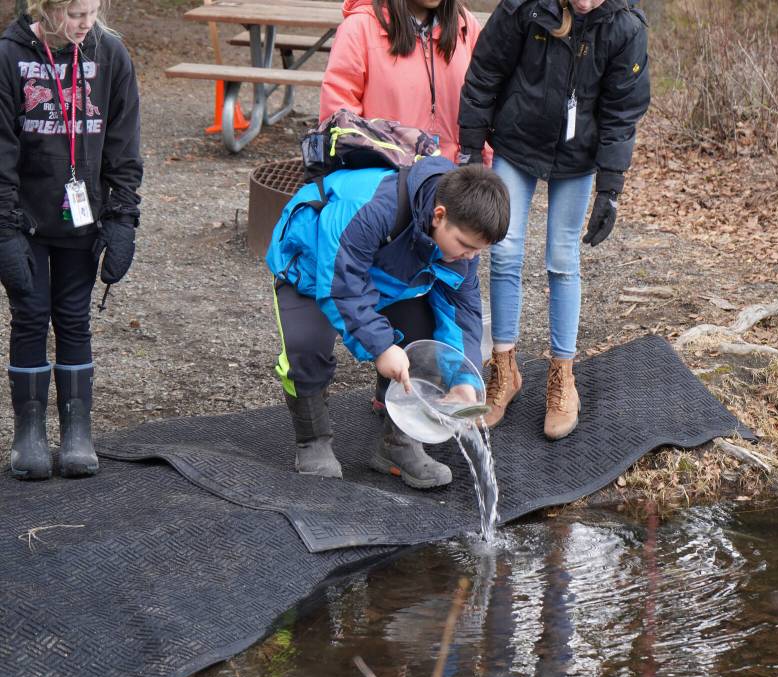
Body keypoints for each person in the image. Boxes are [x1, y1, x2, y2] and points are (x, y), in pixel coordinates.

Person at [458, 0, 649, 440]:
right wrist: (471, 145)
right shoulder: (527, 7)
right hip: (517, 141)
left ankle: (563, 376)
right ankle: (504, 369)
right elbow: (486, 69)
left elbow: (622, 111)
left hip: (578, 156)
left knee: (563, 259)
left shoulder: (624, 27)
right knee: (503, 249)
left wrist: (610, 187)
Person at [265, 157, 509, 488]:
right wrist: (381, 347)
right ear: (439, 216)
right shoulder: (371, 208)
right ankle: (313, 442)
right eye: (465, 246)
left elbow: (461, 313)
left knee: (424, 343)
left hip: (383, 276)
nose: (469, 257)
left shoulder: (460, 244)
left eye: (477, 251)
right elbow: (340, 285)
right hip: (309, 270)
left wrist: (463, 378)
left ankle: (397, 444)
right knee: (307, 350)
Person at [0, 0, 142, 480]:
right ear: (46, 7)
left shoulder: (110, 54)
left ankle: (77, 431)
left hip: (83, 218)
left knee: (74, 318)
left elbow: (124, 142)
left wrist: (122, 216)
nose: (87, 24)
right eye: (76, 14)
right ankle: (30, 432)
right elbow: (1, 148)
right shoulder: (9, 56)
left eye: (92, 12)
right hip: (27, 219)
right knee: (30, 315)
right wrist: (4, 226)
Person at [319, 0, 484, 163]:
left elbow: (486, 106)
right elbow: (339, 122)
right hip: (387, 178)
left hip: (459, 179)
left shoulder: (466, 25)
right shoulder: (359, 28)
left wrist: (490, 175)